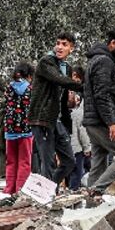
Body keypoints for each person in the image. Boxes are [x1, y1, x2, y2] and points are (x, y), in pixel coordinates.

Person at [81, 27, 115, 193]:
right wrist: (112, 123)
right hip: (101, 122)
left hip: (94, 121)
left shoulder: (96, 60)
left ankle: (90, 207)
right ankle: (96, 190)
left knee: (98, 165)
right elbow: (102, 95)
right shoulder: (105, 62)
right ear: (113, 43)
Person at [29, 33, 83, 186]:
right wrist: (83, 86)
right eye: (58, 43)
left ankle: (48, 189)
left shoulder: (67, 68)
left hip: (58, 121)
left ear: (71, 48)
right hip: (42, 118)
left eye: (64, 44)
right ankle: (46, 198)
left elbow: (65, 96)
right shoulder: (46, 62)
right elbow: (59, 79)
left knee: (69, 161)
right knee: (48, 162)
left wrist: (72, 102)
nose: (59, 47)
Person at [2, 62, 35, 194]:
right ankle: (20, 190)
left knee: (11, 161)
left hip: (9, 130)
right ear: (29, 75)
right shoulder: (30, 89)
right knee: (24, 162)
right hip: (25, 130)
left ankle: (9, 188)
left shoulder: (8, 88)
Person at [68, 91, 90, 190]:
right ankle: (73, 192)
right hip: (77, 148)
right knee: (77, 173)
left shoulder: (68, 112)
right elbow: (82, 132)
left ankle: (69, 190)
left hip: (68, 147)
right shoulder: (80, 113)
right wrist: (86, 148)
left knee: (71, 172)